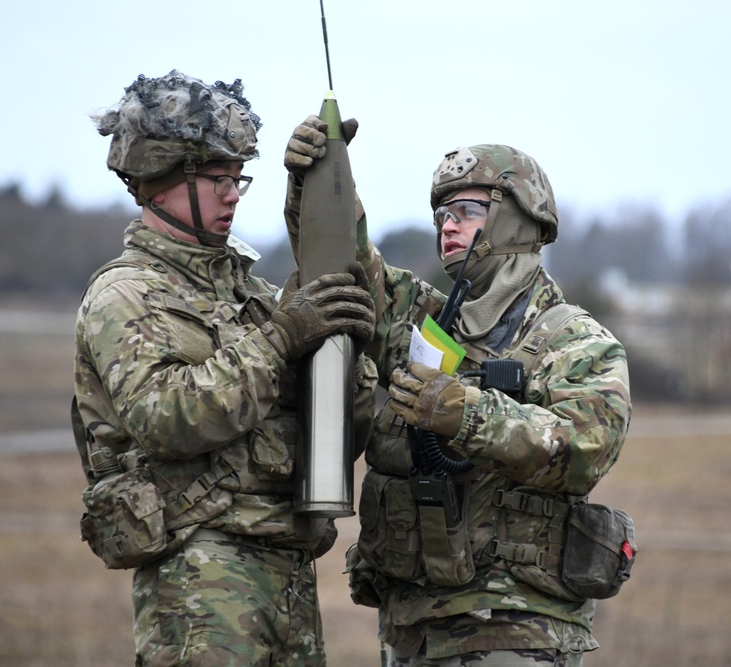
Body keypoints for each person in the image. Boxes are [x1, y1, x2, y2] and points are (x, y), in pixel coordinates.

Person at [283, 117, 632, 666]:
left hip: (515, 628)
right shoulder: (430, 324)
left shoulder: (576, 340)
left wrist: (464, 414)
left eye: (467, 212)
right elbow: (349, 270)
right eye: (442, 215)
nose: (447, 226)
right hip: (413, 628)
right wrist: (317, 183)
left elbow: (583, 449)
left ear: (517, 217)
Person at [72, 71, 378, 667]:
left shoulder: (257, 296)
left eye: (239, 178)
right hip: (199, 576)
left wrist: (348, 356)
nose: (234, 194)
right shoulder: (126, 295)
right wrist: (284, 337)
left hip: (288, 569)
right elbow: (167, 417)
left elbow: (345, 434)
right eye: (218, 179)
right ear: (161, 180)